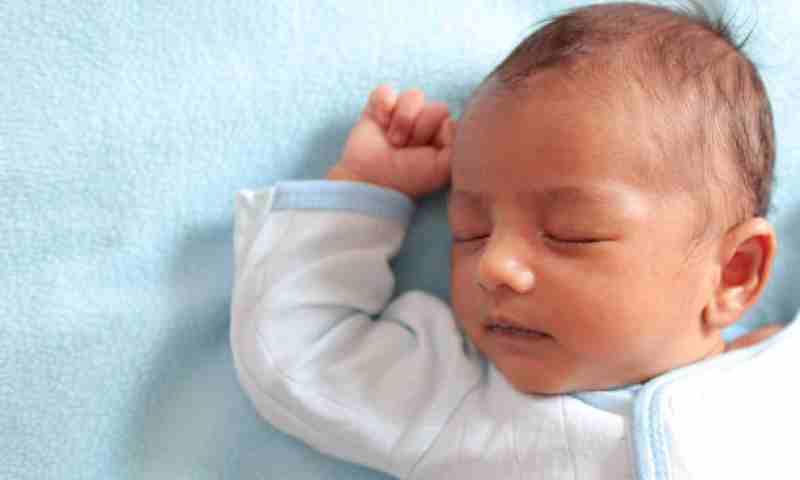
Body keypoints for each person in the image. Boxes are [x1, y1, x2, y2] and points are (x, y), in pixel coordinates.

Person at [230, 2, 783, 478]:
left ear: (734, 273)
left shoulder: (778, 380)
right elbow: (302, 355)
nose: (492, 264)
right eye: (470, 232)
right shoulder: (461, 407)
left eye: (569, 233)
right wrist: (365, 189)